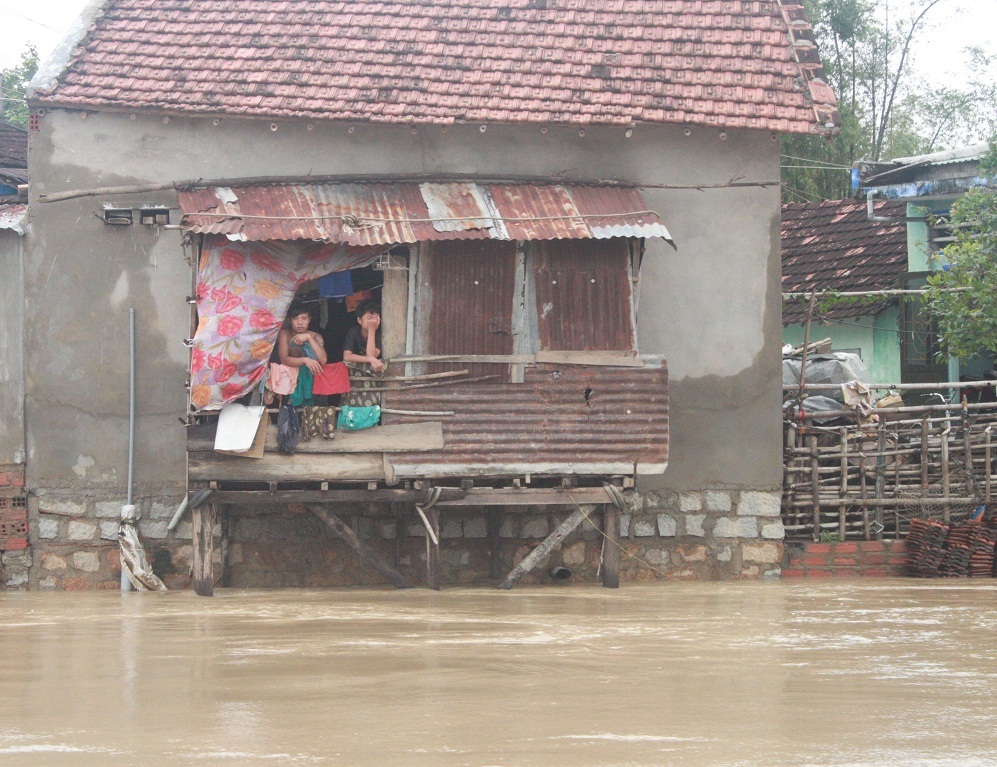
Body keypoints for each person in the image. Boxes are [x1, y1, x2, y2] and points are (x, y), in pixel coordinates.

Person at [278, 302, 327, 376]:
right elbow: (284, 359)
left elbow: (323, 360)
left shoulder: (315, 336)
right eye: (295, 318)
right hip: (290, 375)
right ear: (290, 320)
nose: (300, 322)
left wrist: (309, 338)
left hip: (312, 376)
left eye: (304, 318)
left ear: (309, 319)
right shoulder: (285, 334)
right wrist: (305, 360)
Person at [342, 299, 384, 373]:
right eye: (369, 318)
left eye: (376, 318)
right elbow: (347, 356)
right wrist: (370, 359)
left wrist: (372, 330)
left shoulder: (381, 333)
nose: (373, 321)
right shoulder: (353, 332)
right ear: (359, 320)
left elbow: (372, 355)